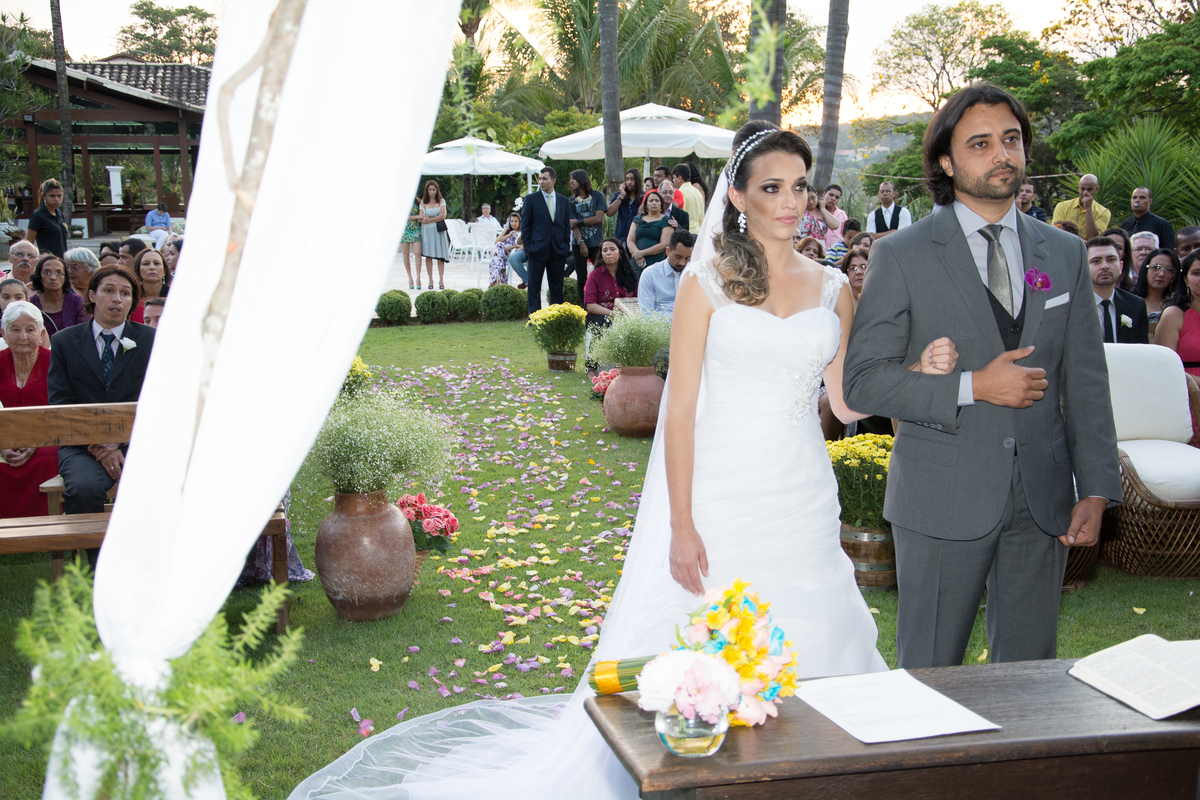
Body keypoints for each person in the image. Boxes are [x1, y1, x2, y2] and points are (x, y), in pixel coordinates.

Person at [293, 118, 961, 800]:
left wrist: (917, 372)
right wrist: (681, 523)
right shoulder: (706, 284)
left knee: (816, 631)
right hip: (722, 490)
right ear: (737, 197)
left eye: (799, 186)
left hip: (802, 492)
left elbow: (845, 401)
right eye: (772, 187)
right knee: (701, 642)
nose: (790, 201)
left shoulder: (831, 288)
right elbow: (679, 410)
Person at [844, 83, 1121, 670]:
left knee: (1028, 677)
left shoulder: (1065, 253)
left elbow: (1087, 382)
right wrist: (973, 386)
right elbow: (863, 382)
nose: (1002, 154)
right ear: (946, 161)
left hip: (1042, 500)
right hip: (941, 495)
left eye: (1011, 139)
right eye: (980, 143)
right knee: (931, 672)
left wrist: (1096, 489)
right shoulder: (903, 254)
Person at [47, 265, 155, 565]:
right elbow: (60, 402)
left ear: (132, 302)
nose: (117, 298)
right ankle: (99, 566)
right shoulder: (65, 342)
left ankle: (145, 563)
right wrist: (99, 445)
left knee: (156, 484)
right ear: (92, 295)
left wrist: (118, 442)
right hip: (82, 446)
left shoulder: (151, 340)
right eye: (109, 290)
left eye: (125, 293)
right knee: (83, 488)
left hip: (138, 442)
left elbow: (159, 401)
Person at [0, 300, 60, 517]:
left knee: (48, 457)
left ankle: (46, 522)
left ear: (42, 334)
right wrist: (3, 443)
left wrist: (36, 442)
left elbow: (63, 412)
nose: (23, 336)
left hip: (48, 438)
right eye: (15, 329)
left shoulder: (56, 363)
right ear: (3, 334)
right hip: (4, 438)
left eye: (30, 329)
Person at [520, 166, 575, 315]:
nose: (541, 181)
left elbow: (566, 226)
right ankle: (534, 317)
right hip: (536, 250)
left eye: (544, 178)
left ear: (553, 180)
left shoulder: (563, 200)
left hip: (557, 250)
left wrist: (565, 246)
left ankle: (555, 316)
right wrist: (528, 248)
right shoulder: (531, 199)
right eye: (540, 178)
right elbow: (525, 226)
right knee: (534, 286)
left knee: (557, 286)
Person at [1088, 235, 1148, 344]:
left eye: (1111, 260)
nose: (1105, 266)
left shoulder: (1136, 305)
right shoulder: (1072, 306)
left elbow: (1142, 349)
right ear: (1084, 267)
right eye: (1096, 261)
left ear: (1121, 266)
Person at [1155, 250, 1200, 378]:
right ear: (1185, 279)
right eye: (1196, 273)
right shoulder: (1174, 315)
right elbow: (1164, 367)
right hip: (1186, 385)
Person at [583, 237, 638, 328]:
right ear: (601, 254)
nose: (608, 253)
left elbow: (637, 300)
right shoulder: (595, 275)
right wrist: (614, 315)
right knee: (605, 322)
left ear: (620, 252)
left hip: (627, 316)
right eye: (605, 250)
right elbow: (590, 305)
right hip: (600, 317)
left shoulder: (630, 274)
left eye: (612, 249)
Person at [567, 170, 607, 292]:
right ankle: (584, 303)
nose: (571, 182)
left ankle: (601, 300)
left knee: (602, 273)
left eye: (574, 179)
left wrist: (578, 221)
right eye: (570, 179)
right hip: (578, 244)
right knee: (581, 278)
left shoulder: (597, 196)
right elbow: (572, 225)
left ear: (582, 179)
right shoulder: (571, 201)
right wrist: (581, 243)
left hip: (596, 243)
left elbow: (598, 219)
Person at [638, 229, 693, 315]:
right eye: (678, 257)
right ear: (668, 251)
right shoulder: (650, 275)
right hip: (659, 323)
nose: (682, 263)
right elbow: (646, 314)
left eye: (687, 258)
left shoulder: (694, 274)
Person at [30, 253, 87, 336]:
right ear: (39, 276)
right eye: (47, 272)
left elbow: (84, 333)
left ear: (65, 278)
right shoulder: (31, 304)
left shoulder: (77, 302)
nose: (53, 277)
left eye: (59, 273)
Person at [1134, 248, 1184, 340]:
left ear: (1174, 277)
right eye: (1156, 267)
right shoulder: (1131, 302)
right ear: (1146, 270)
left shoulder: (1180, 305)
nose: (1161, 274)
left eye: (1169, 270)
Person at [626, 190, 672, 273]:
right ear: (646, 205)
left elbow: (664, 244)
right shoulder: (637, 219)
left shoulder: (666, 221)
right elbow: (630, 240)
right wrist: (638, 255)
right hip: (637, 260)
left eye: (657, 201)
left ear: (661, 204)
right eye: (651, 201)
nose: (654, 203)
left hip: (655, 261)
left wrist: (642, 253)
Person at [1052, 173, 1110, 238]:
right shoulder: (1062, 206)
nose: (1085, 193)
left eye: (1090, 189)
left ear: (1097, 189)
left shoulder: (1103, 212)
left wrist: (1088, 208)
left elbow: (1093, 237)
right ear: (1078, 188)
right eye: (1082, 189)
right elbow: (1056, 231)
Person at [0, 279, 50, 349]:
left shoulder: (36, 325)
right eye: (6, 297)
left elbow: (45, 352)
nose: (12, 302)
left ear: (27, 300)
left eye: (18, 298)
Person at [26, 178, 69, 258]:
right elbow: (28, 243)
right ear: (44, 196)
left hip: (62, 260)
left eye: (59, 196)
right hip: (47, 260)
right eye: (52, 196)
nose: (56, 199)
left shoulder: (60, 215)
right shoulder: (38, 215)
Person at [419, 180, 450, 290]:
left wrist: (430, 219)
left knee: (440, 257)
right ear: (426, 191)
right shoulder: (423, 202)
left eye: (433, 189)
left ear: (437, 190)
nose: (432, 192)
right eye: (430, 190)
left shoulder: (441, 201)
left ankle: (441, 279)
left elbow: (443, 215)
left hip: (438, 231)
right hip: (427, 232)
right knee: (428, 256)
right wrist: (434, 218)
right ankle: (430, 279)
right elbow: (421, 217)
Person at [129, 247, 170, 325]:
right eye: (146, 264)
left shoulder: (175, 295)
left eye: (156, 263)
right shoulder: (130, 297)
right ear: (138, 270)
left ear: (164, 270)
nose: (152, 267)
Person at [605, 168, 643, 243]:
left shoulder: (643, 197)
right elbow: (609, 213)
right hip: (621, 238)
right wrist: (622, 196)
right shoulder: (618, 195)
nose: (629, 182)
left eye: (632, 179)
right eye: (627, 179)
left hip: (637, 237)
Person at [487, 210, 522, 287]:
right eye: (511, 221)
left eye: (515, 221)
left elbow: (521, 245)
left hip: (512, 252)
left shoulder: (521, 232)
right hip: (502, 252)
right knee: (499, 245)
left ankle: (494, 281)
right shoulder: (507, 230)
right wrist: (508, 235)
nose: (513, 223)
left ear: (519, 222)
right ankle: (500, 269)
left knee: (495, 258)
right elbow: (496, 241)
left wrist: (509, 247)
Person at [670, 164, 704, 234]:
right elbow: (701, 217)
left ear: (680, 178)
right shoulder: (697, 192)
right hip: (698, 232)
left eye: (674, 178)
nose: (673, 180)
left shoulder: (680, 193)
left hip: (685, 233)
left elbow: (680, 214)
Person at [401, 195, 423, 289]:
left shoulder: (417, 200)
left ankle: (418, 277)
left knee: (417, 253)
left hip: (415, 229)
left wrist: (420, 217)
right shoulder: (401, 201)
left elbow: (421, 215)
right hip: (404, 230)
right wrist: (417, 216)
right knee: (406, 254)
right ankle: (410, 277)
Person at [820, 184, 848, 251]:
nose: (833, 199)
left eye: (837, 197)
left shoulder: (842, 215)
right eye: (831, 195)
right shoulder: (817, 212)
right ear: (824, 194)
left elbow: (846, 235)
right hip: (819, 250)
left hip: (836, 252)